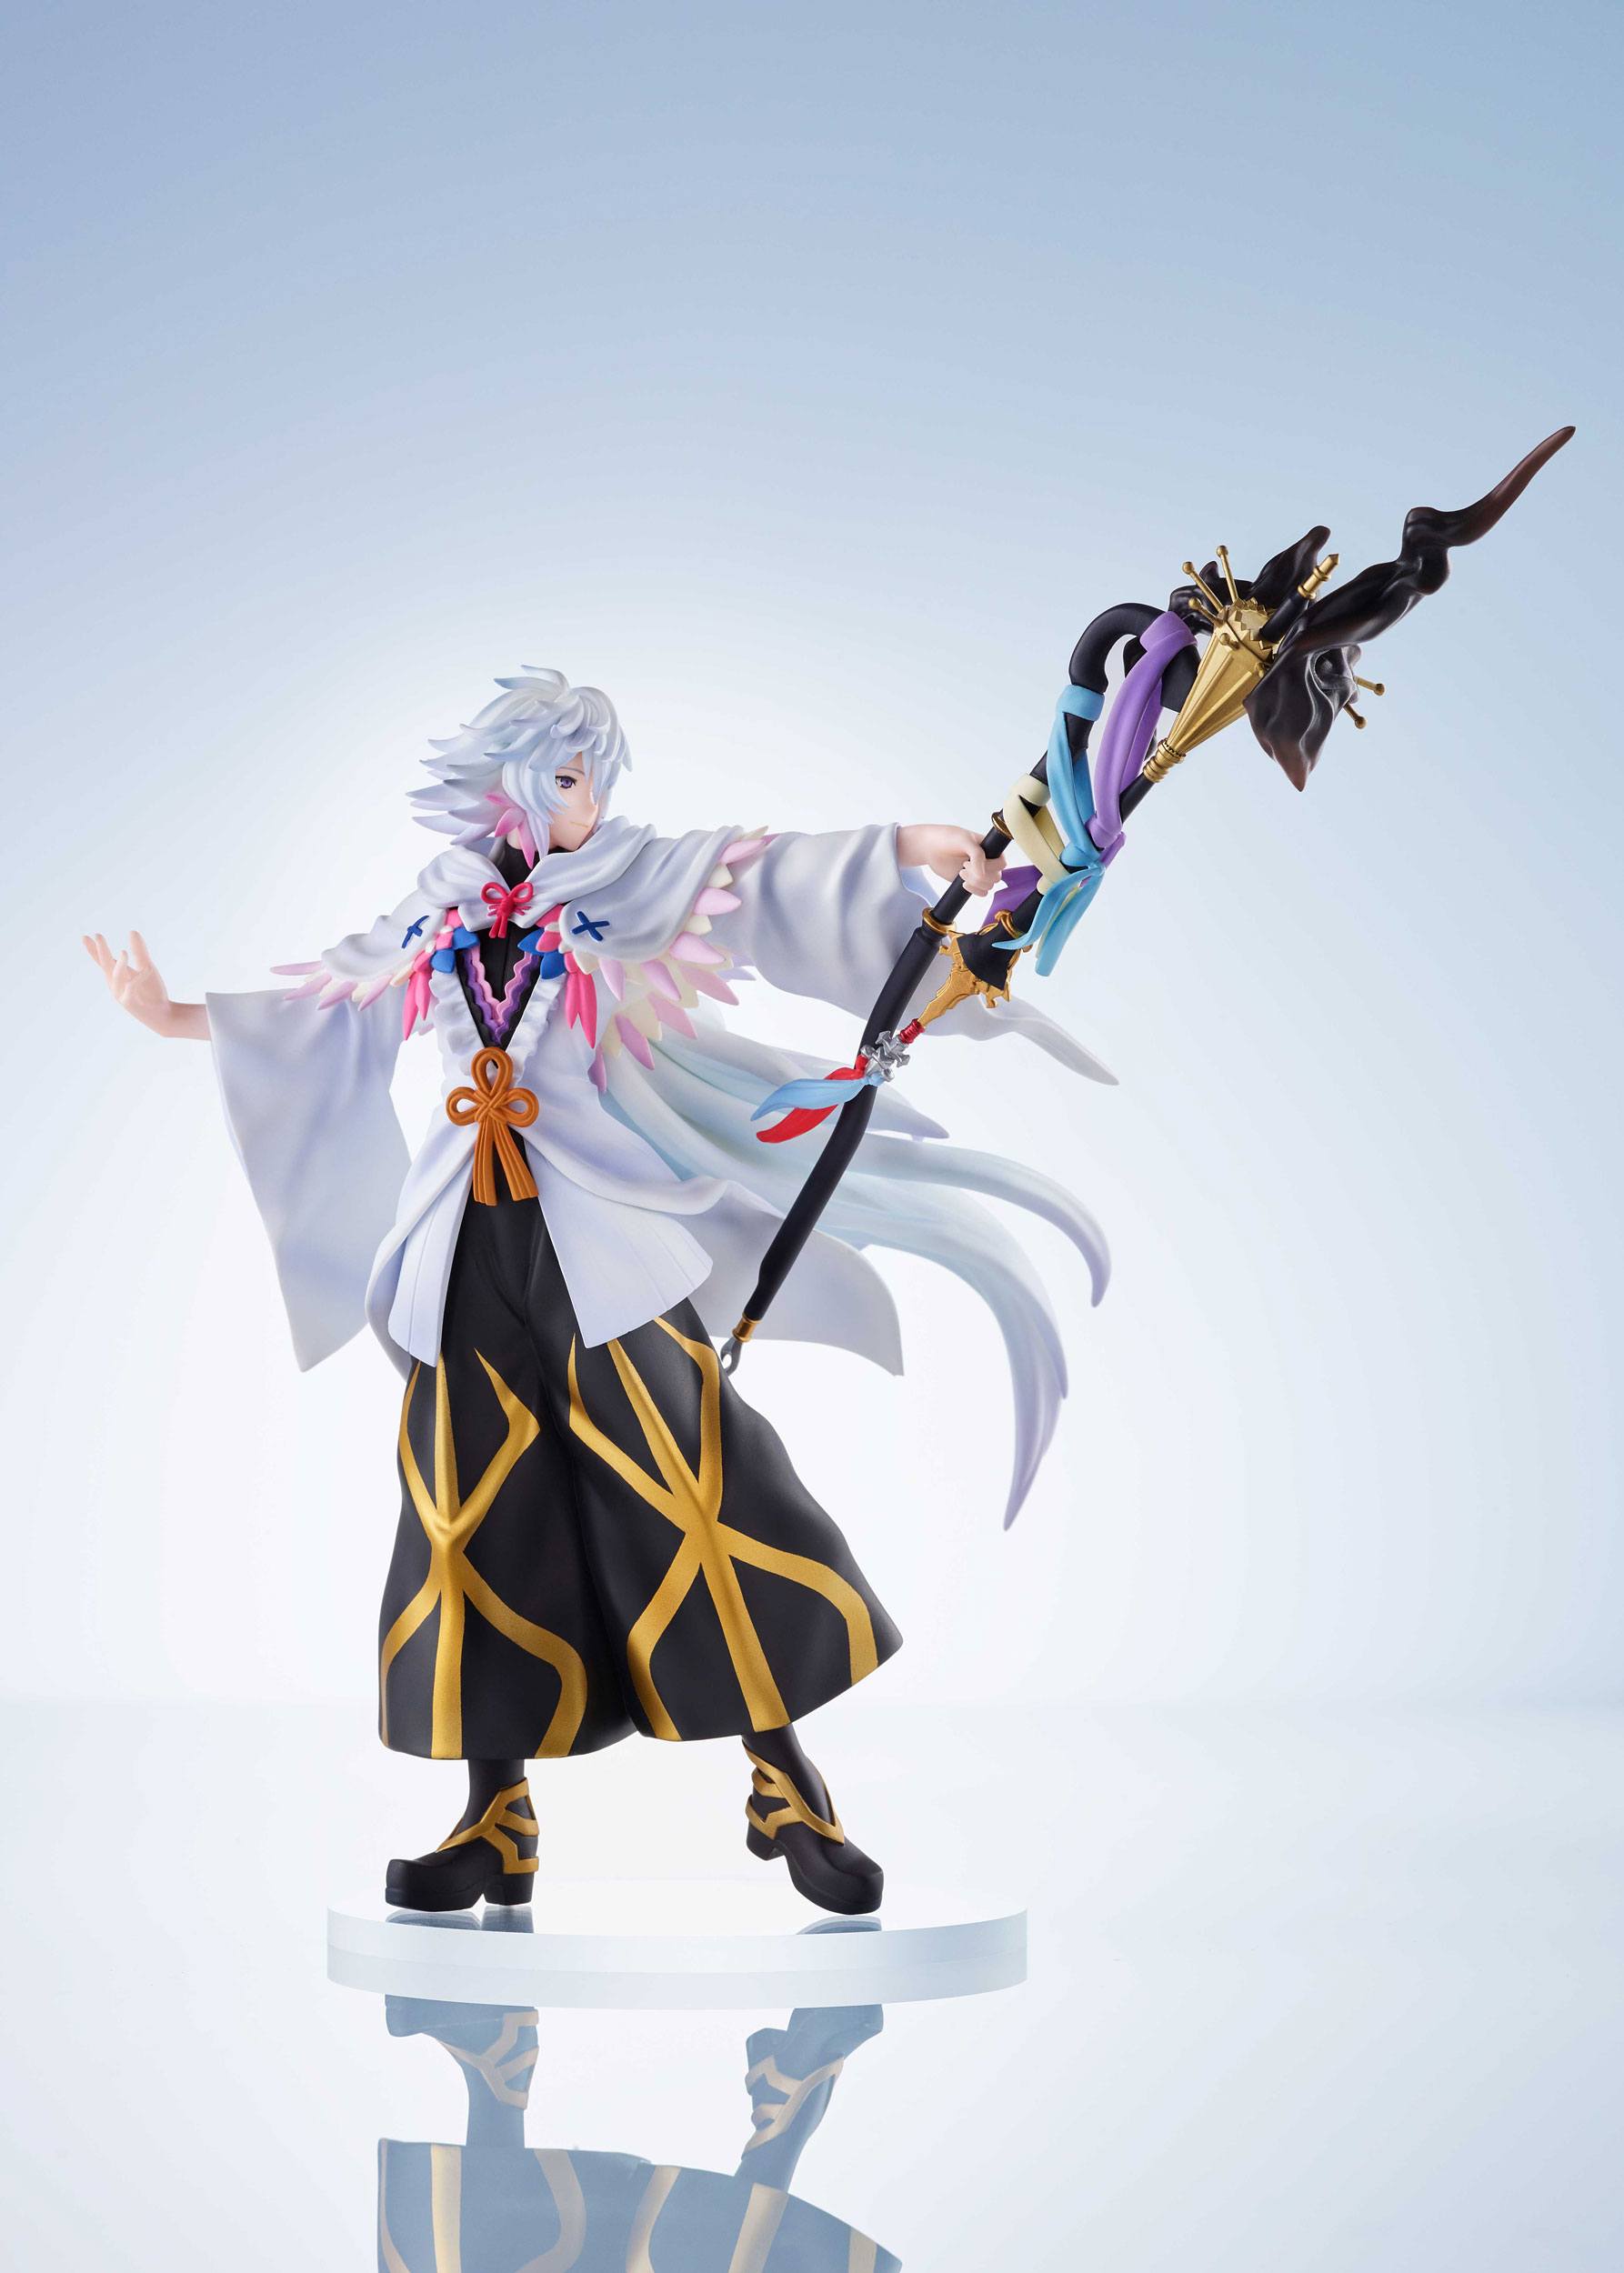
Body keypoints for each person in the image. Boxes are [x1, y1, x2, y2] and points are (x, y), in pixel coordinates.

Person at [86, 667, 1108, 1915]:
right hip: (464, 1242)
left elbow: (757, 873)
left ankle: (785, 1790)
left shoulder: (632, 883)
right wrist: (173, 1015)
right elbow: (332, 1007)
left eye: (590, 778)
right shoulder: (440, 909)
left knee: (691, 1481)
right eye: (566, 778)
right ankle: (496, 1817)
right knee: (468, 1509)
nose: (586, 800)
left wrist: (904, 845)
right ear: (509, 786)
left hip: (597, 1239)